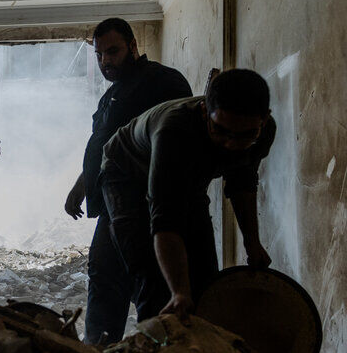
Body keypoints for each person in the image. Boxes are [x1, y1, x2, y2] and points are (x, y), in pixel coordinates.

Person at [100, 69, 275, 324]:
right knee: (154, 277)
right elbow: (165, 220)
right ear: (205, 112)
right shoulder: (174, 131)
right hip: (127, 173)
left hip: (188, 178)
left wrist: (252, 243)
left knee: (205, 280)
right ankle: (158, 341)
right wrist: (179, 292)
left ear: (264, 119)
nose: (231, 144)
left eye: (245, 135)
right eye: (221, 131)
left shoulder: (264, 132)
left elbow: (242, 183)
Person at [64, 18, 193, 344]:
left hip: (144, 205)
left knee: (150, 282)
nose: (105, 61)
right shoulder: (113, 95)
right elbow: (106, 148)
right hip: (112, 206)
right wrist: (82, 185)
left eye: (112, 52)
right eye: (99, 55)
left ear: (133, 47)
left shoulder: (162, 82)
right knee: (104, 277)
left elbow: (175, 142)